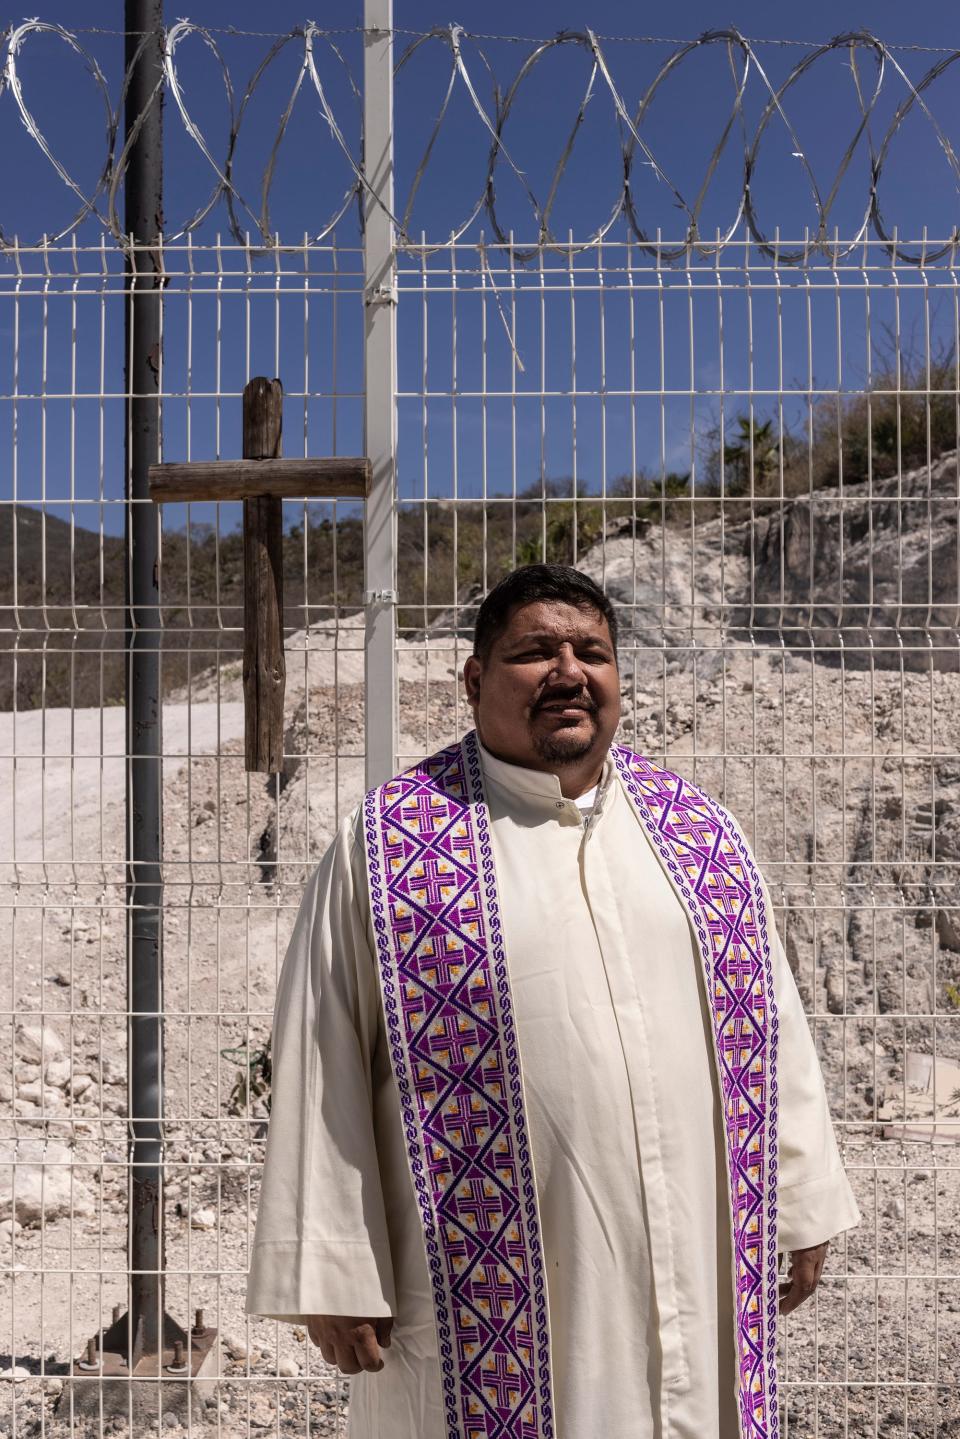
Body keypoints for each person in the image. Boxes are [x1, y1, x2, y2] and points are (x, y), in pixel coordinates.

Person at [247, 564, 860, 1439]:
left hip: (690, 1242)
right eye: (535, 651)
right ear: (474, 680)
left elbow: (772, 1031)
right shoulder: (391, 845)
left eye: (593, 653)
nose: (569, 672)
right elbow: (320, 1053)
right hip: (475, 1295)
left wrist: (796, 1199)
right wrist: (333, 1268)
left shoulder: (697, 835)